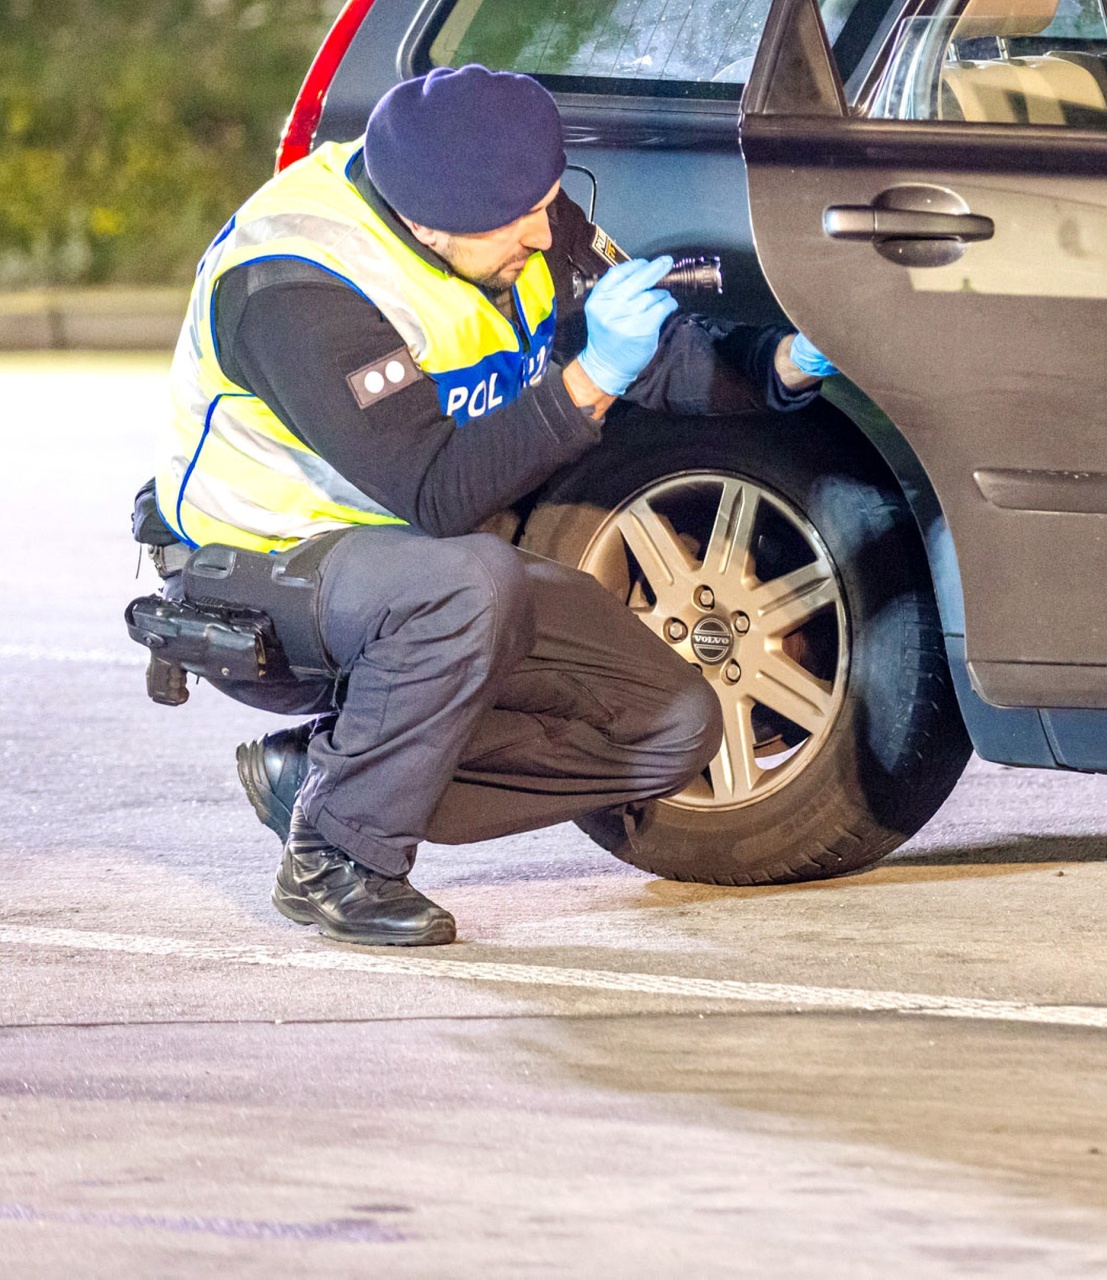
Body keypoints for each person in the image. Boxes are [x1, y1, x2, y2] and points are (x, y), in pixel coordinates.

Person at [151, 65, 839, 947]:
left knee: (673, 726)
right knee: (468, 578)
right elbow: (443, 494)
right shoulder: (297, 284)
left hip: (424, 575)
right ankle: (337, 857)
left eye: (549, 202)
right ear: (424, 223)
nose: (544, 231)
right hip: (268, 574)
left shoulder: (512, 207)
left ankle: (325, 775)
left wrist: (784, 364)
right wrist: (591, 380)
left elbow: (658, 356)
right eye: (517, 222)